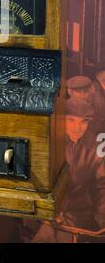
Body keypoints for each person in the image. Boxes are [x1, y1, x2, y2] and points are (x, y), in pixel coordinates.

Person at [29, 98, 105, 243]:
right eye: (71, 120)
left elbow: (102, 188)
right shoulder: (47, 141)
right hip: (44, 220)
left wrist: (103, 221)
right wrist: (48, 210)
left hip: (80, 221)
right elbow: (32, 181)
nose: (78, 128)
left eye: (84, 121)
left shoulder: (97, 149)